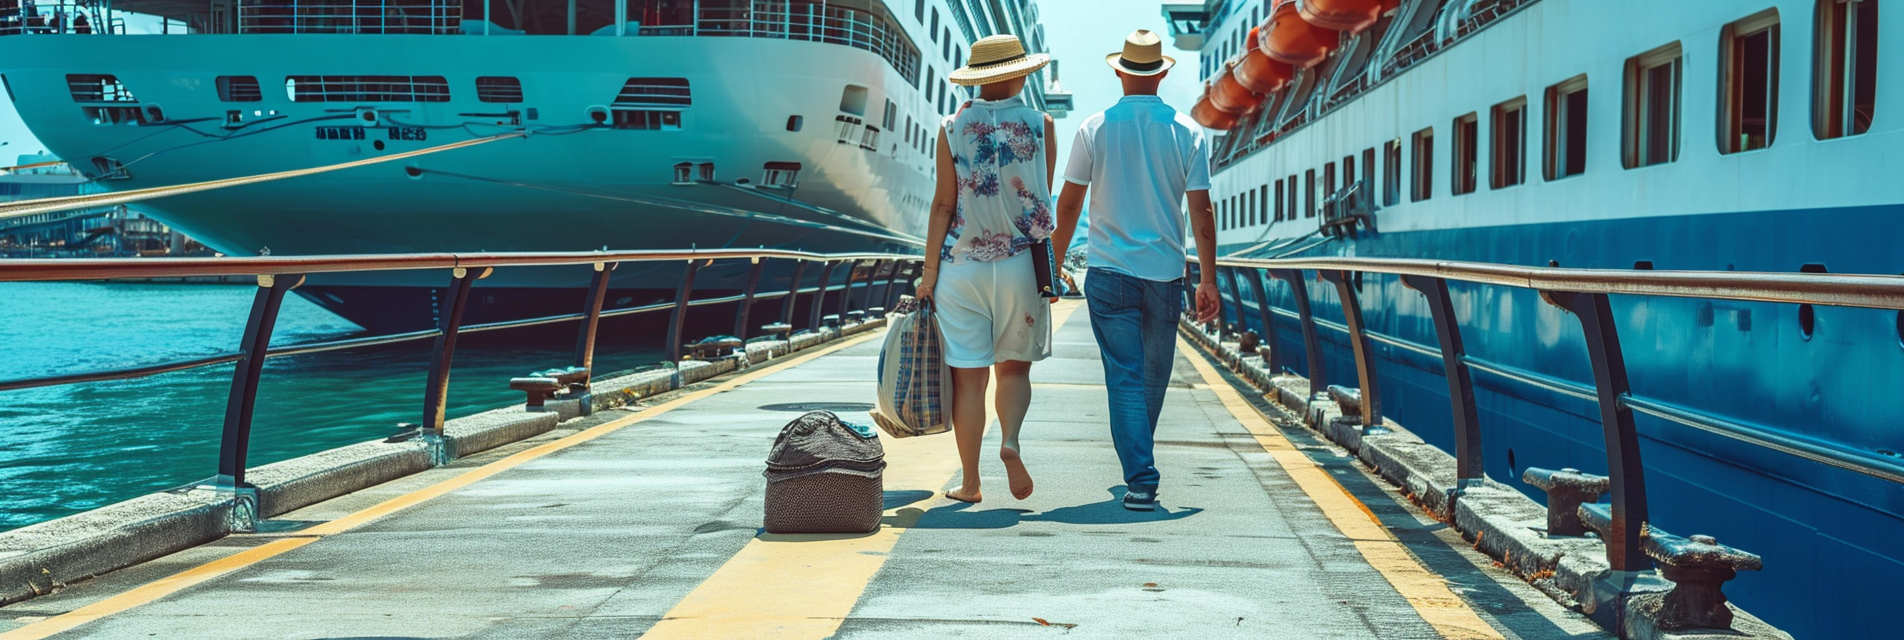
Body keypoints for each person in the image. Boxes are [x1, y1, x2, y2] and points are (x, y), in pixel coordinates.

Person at [1050, 29, 1220, 511]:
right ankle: (1141, 472)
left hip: (1107, 273)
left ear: (1119, 71)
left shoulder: (1094, 128)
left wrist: (1053, 267)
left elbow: (1067, 207)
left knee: (1124, 376)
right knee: (1152, 377)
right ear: (1164, 73)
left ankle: (1141, 477)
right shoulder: (1188, 131)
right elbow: (1202, 212)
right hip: (1166, 274)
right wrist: (1207, 278)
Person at [917, 34, 1058, 504]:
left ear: (977, 78)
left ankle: (971, 483)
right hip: (1019, 263)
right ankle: (1011, 440)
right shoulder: (1042, 124)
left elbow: (942, 204)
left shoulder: (952, 126)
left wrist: (929, 275)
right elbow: (1040, 194)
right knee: (1014, 372)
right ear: (1020, 73)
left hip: (962, 267)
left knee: (969, 378)